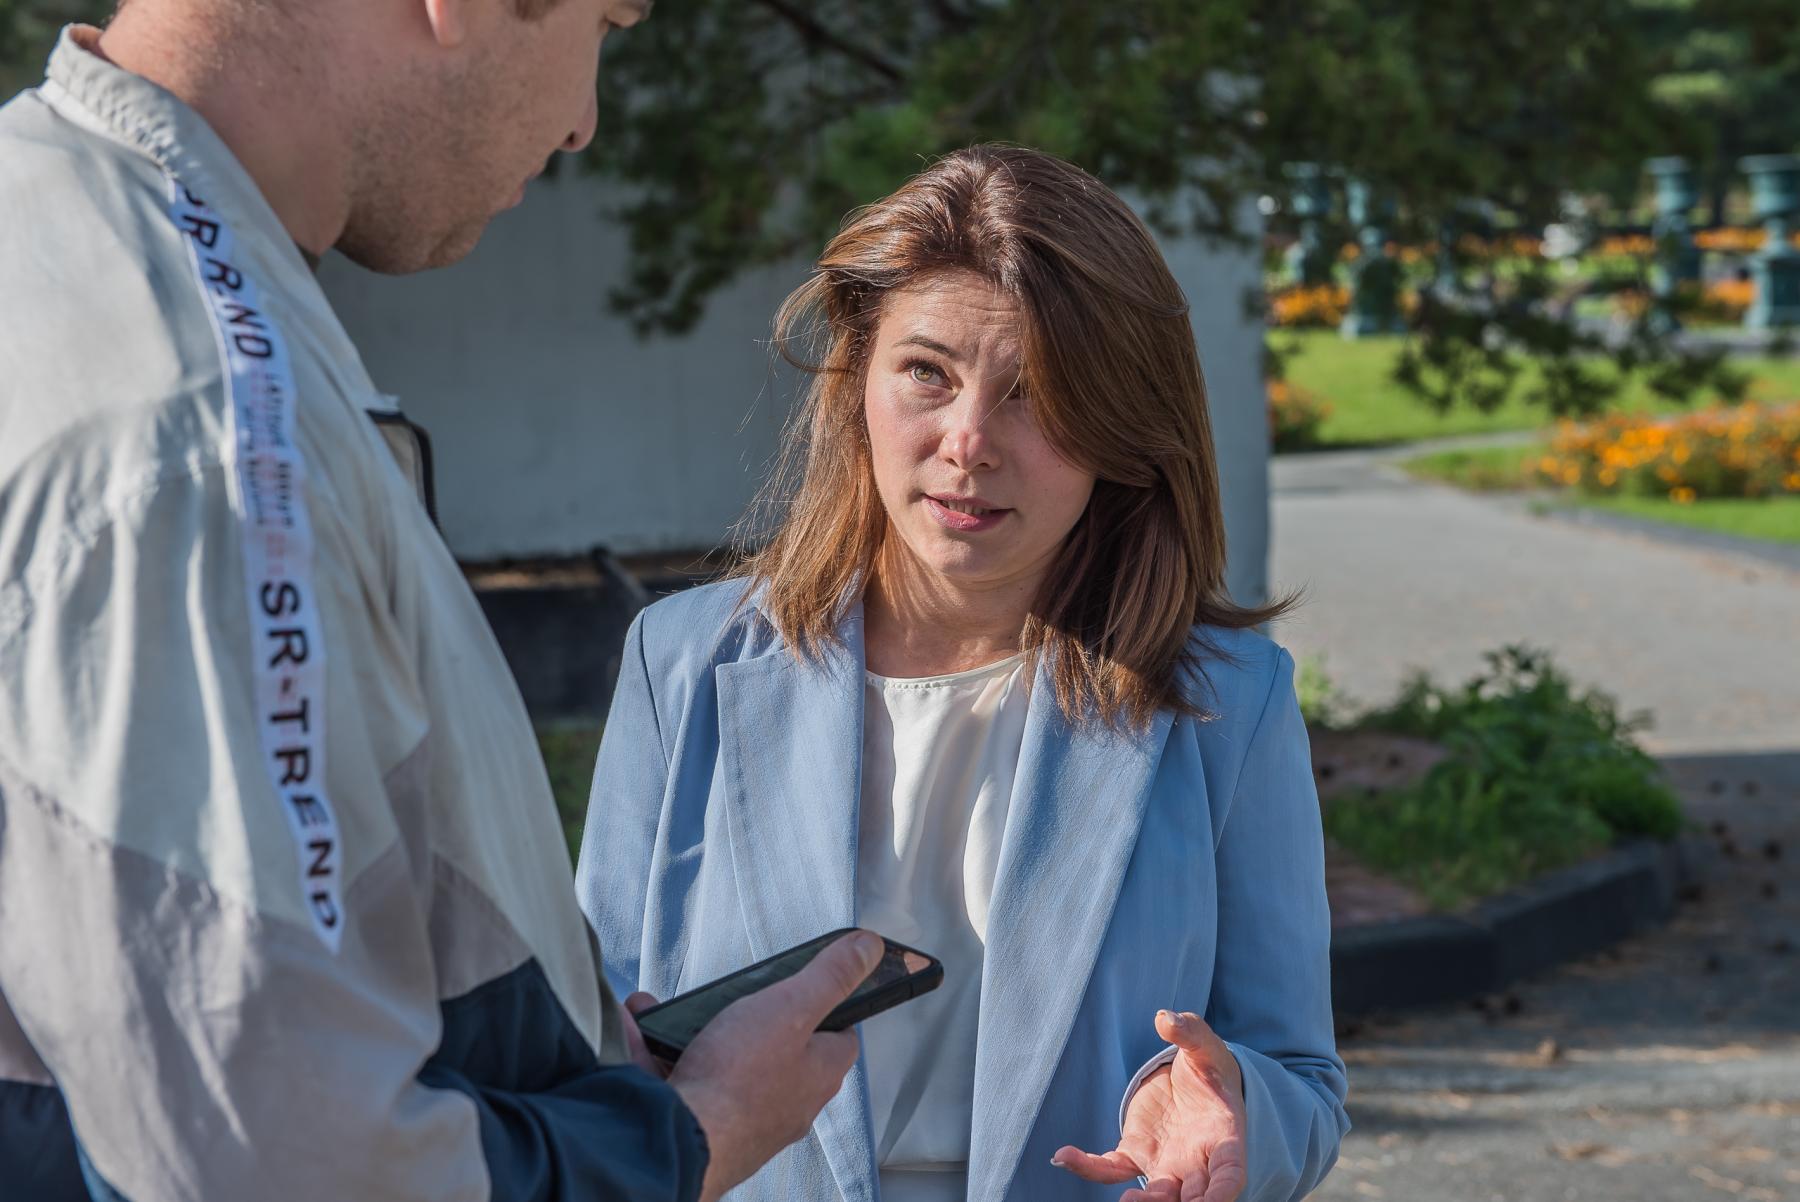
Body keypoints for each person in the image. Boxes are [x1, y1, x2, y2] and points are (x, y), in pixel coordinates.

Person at [0, 3, 880, 1199]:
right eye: (607, 24)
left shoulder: (60, 233)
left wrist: (557, 1042)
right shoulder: (204, 434)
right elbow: (280, 1162)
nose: (583, 122)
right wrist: (700, 1129)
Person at [576, 144, 1351, 1202]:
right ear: (856, 382)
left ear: (1122, 432)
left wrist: (1232, 1114)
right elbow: (590, 1051)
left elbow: (1302, 1081)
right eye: (926, 372)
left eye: (1035, 392)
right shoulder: (683, 664)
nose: (969, 441)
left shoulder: (1227, 701)